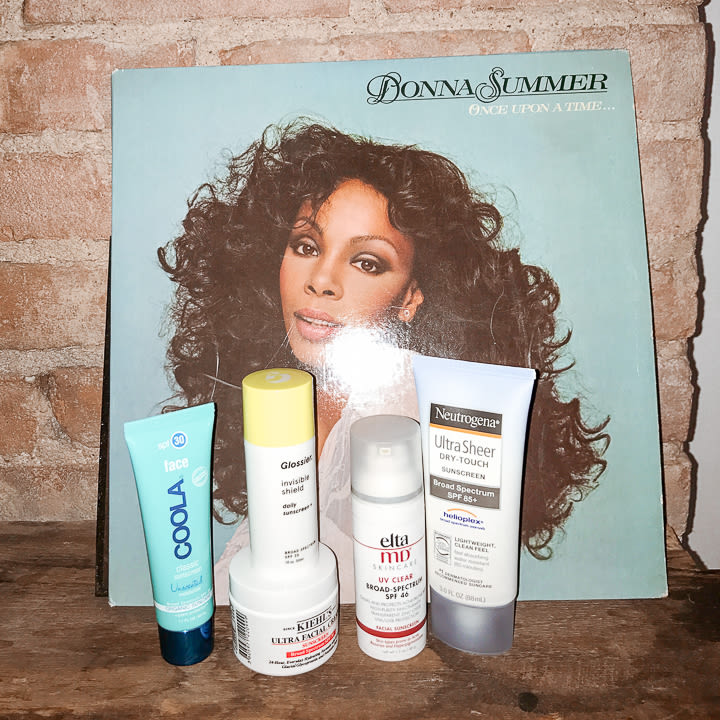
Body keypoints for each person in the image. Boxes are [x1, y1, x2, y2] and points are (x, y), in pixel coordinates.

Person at [158, 119, 610, 601]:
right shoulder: (288, 401)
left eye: (367, 262)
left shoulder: (401, 418)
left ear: (411, 298)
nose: (321, 280)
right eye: (306, 246)